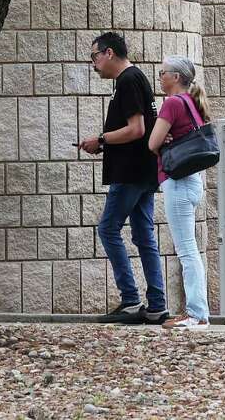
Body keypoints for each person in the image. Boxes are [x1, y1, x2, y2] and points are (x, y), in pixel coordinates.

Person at [78, 32, 168, 324]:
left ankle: (131, 301)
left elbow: (136, 129)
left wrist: (101, 139)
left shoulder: (128, 80)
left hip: (130, 172)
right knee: (143, 236)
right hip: (143, 170)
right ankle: (156, 306)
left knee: (107, 229)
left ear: (109, 53)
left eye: (94, 56)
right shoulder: (134, 78)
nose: (93, 64)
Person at [147, 56, 212, 330]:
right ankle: (196, 313)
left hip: (179, 182)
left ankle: (197, 314)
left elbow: (152, 143)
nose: (159, 77)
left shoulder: (173, 103)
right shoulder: (190, 102)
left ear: (175, 77)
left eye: (162, 73)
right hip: (191, 182)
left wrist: (161, 137)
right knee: (188, 249)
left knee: (187, 250)